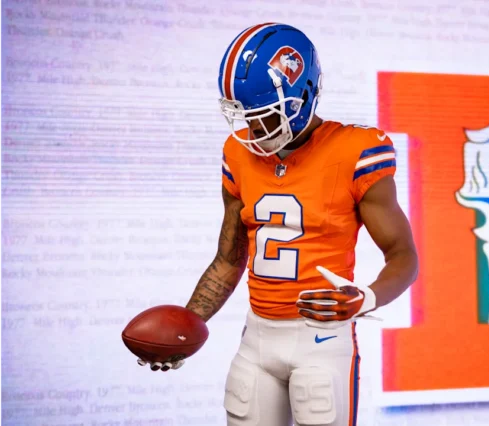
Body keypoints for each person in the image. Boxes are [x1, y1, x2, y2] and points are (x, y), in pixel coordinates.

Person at [138, 23, 418, 426]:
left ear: (300, 97)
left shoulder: (356, 150)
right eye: (245, 117)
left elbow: (404, 255)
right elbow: (228, 259)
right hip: (257, 340)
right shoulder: (237, 152)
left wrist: (368, 298)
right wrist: (187, 325)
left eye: (263, 117)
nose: (252, 131)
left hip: (322, 341)